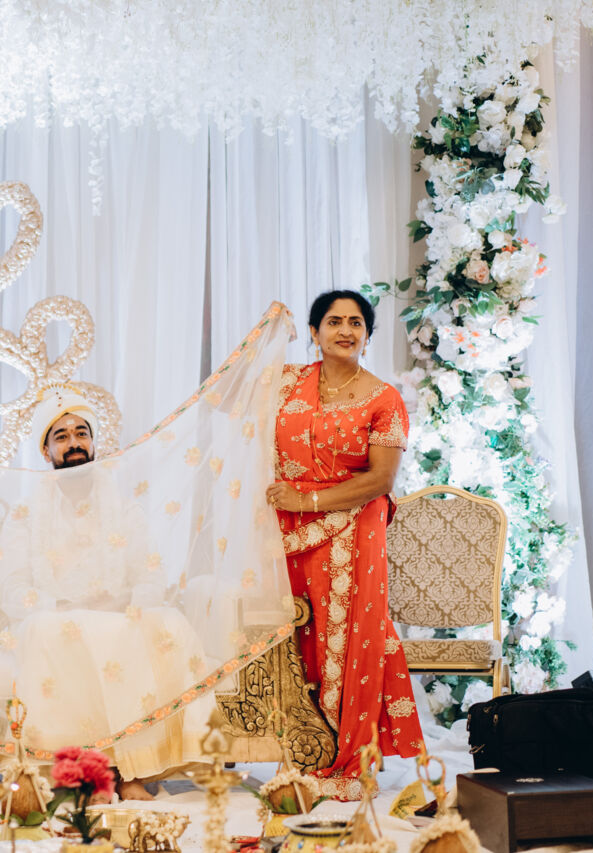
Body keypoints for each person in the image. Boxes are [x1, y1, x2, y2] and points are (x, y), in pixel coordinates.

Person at [0, 385, 216, 801]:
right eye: (61, 436)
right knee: (51, 630)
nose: (74, 443)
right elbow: (12, 590)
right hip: (55, 617)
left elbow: (151, 575)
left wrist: (126, 602)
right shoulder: (25, 514)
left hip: (118, 615)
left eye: (82, 433)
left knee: (165, 622)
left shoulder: (124, 506)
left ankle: (133, 772)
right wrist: (65, 606)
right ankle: (95, 776)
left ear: (94, 443)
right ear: (46, 451)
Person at [265, 289, 424, 798]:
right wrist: (264, 338)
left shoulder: (383, 398)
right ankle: (300, 750)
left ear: (367, 336)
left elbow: (380, 479)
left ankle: (350, 757)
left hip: (354, 528)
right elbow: (227, 400)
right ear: (314, 332)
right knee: (294, 636)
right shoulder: (284, 382)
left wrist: (308, 500)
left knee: (350, 637)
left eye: (356, 323)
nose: (345, 331)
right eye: (334, 321)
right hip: (285, 529)